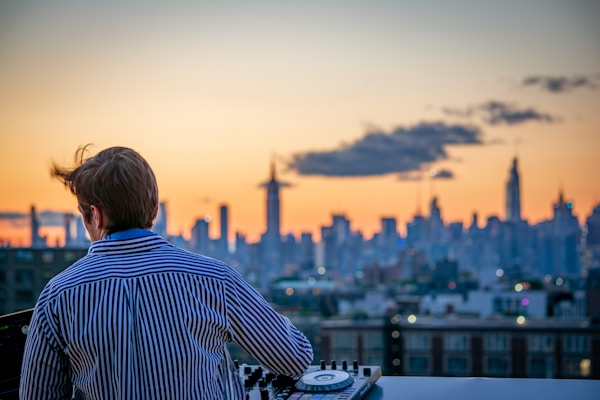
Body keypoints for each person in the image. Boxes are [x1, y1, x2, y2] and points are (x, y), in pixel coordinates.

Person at [20, 145, 313, 399]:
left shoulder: (58, 296)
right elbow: (295, 359)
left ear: (94, 215)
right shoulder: (214, 279)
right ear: (154, 209)